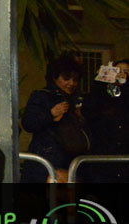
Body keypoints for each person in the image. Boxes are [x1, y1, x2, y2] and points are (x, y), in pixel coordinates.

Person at [22, 53, 90, 182]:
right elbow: (28, 123)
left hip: (73, 162)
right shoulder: (41, 96)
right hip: (47, 161)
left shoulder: (77, 100)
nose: (71, 83)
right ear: (54, 77)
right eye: (66, 78)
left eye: (75, 79)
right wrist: (51, 114)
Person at [84, 58, 129, 181]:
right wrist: (99, 81)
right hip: (102, 162)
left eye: (126, 72)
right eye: (117, 71)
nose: (121, 74)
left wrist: (125, 84)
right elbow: (89, 110)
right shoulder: (102, 96)